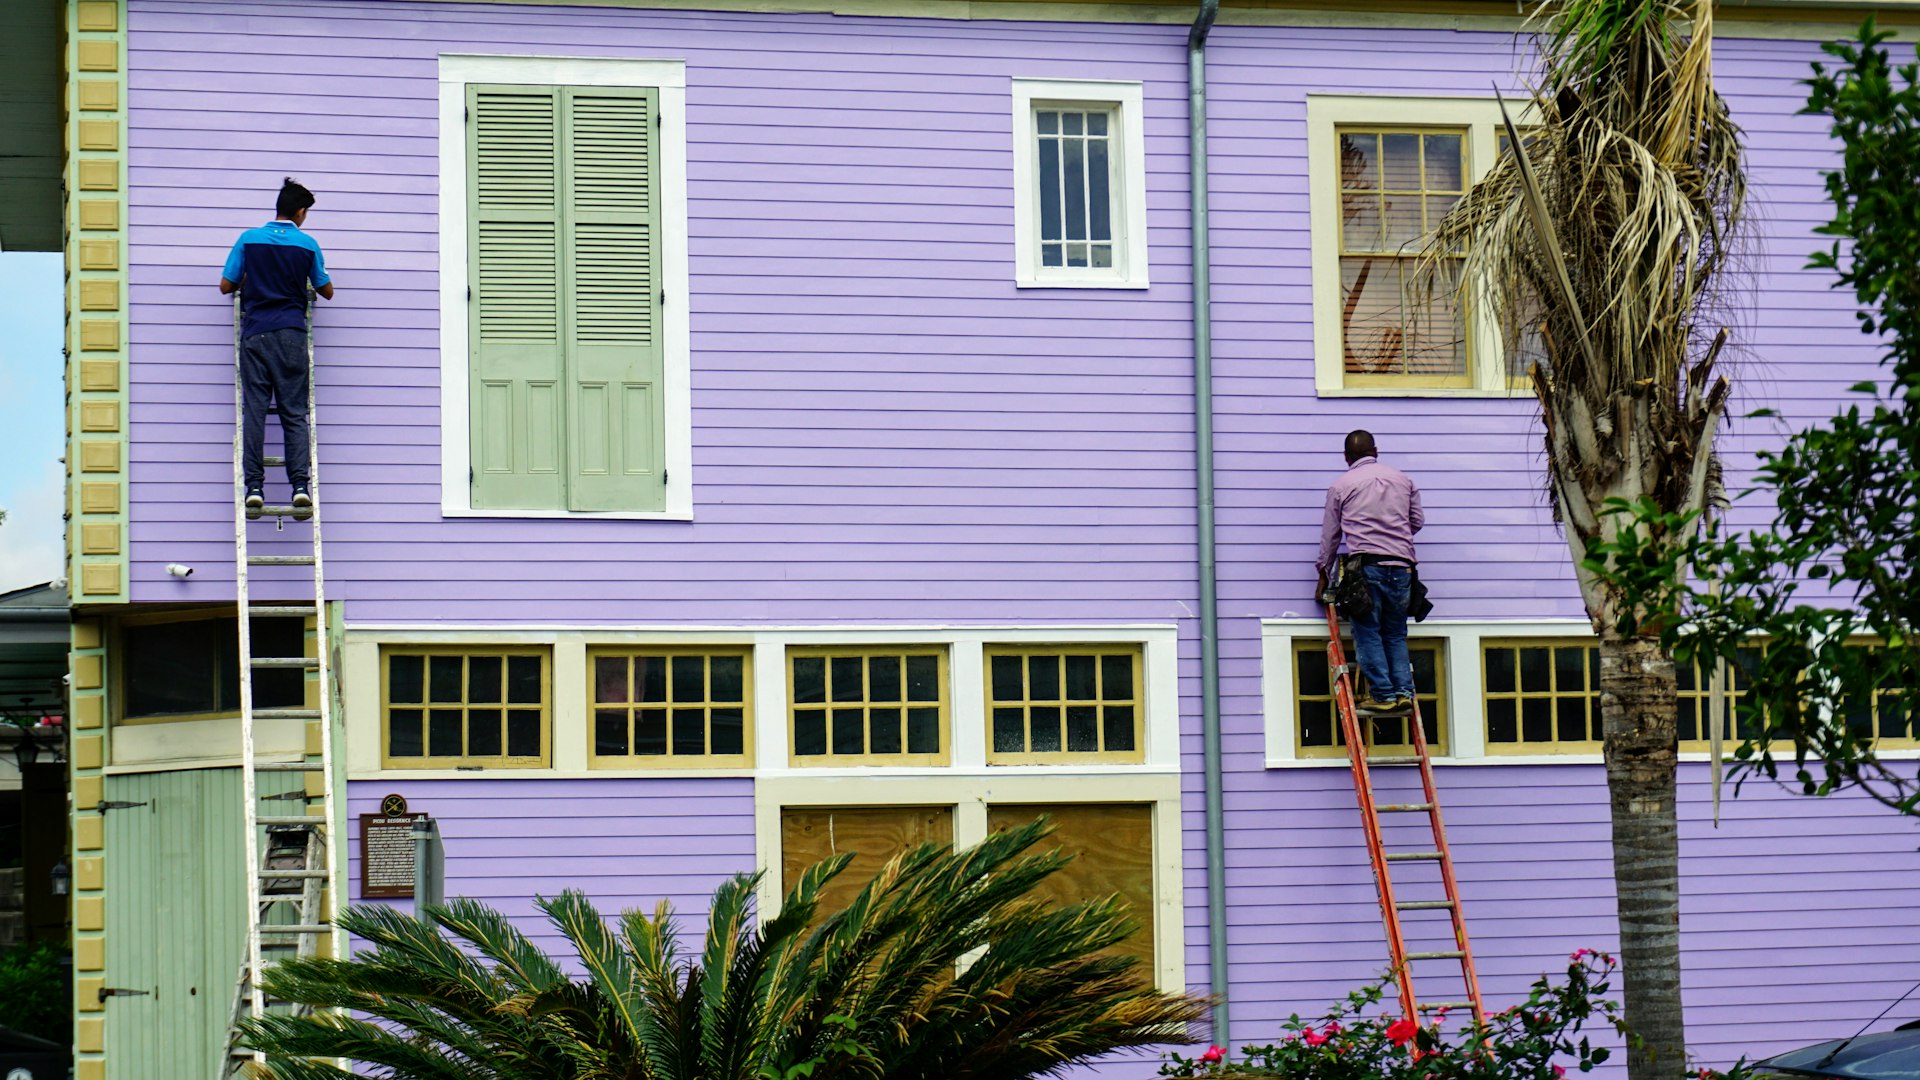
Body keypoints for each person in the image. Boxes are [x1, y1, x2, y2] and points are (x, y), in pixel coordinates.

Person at [219, 177, 334, 519]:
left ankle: (254, 488)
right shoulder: (308, 244)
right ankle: (300, 486)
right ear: (300, 212)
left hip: (256, 334)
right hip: (291, 335)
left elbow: (226, 286)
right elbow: (326, 290)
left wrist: (250, 280)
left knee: (254, 412)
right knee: (294, 413)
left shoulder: (248, 239)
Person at [1315, 430, 1424, 715]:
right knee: (1395, 633)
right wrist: (1394, 537)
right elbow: (1417, 522)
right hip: (1402, 568)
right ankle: (1402, 693)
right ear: (1376, 451)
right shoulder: (1404, 480)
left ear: (1346, 457)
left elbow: (1331, 536)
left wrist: (1323, 572)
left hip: (1366, 568)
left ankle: (1384, 695)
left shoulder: (1341, 485)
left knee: (1368, 632)